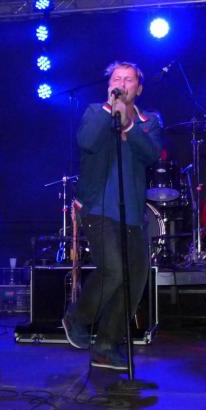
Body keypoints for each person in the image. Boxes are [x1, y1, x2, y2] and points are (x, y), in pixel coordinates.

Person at [62, 61, 162, 370]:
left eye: (128, 79)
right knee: (114, 271)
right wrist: (110, 110)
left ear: (138, 88)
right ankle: (78, 317)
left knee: (135, 279)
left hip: (132, 212)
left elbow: (151, 154)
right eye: (116, 78)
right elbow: (86, 141)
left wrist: (129, 126)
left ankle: (107, 345)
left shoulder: (149, 120)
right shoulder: (96, 112)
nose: (121, 83)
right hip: (98, 208)